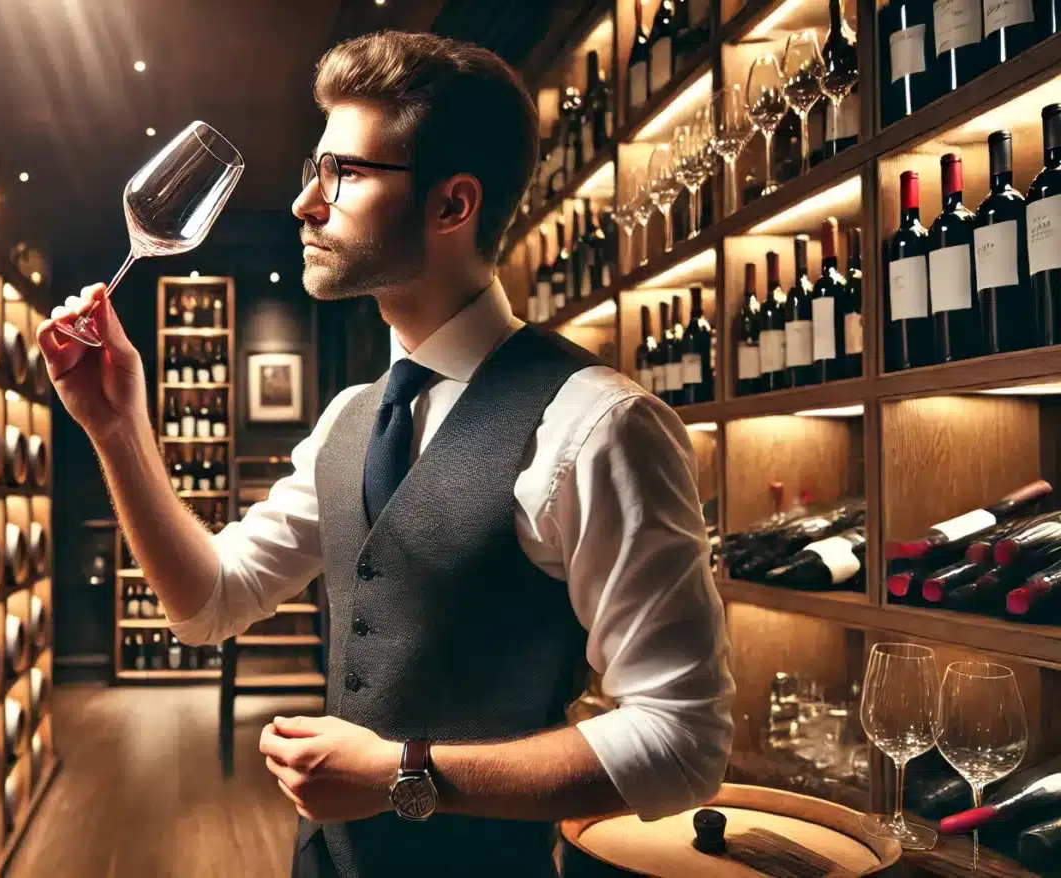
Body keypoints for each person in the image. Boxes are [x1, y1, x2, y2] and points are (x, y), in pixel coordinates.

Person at [36, 30, 734, 878]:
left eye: (347, 175)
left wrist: (406, 772)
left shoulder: (601, 424)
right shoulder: (348, 420)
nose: (305, 204)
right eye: (313, 172)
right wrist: (116, 427)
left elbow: (682, 738)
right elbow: (207, 602)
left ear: (452, 205)